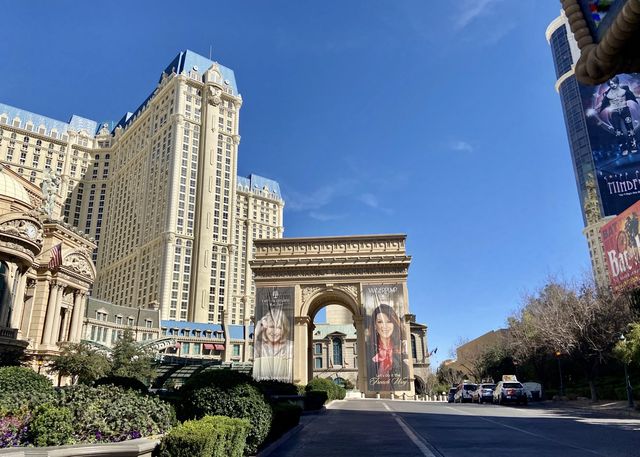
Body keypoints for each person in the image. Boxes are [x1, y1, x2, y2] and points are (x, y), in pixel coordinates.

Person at [368, 304, 408, 388]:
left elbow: (405, 376)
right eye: (380, 322)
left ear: (394, 323)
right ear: (375, 325)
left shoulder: (402, 349)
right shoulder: (369, 351)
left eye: (389, 321)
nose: (385, 326)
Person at [598, 76, 639, 154]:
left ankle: (633, 146)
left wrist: (637, 97)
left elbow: (632, 95)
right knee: (618, 131)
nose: (613, 85)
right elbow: (602, 103)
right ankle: (624, 148)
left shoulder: (624, 88)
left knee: (630, 129)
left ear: (617, 82)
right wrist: (596, 109)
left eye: (614, 83)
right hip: (615, 113)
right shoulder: (607, 94)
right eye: (611, 84)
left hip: (625, 110)